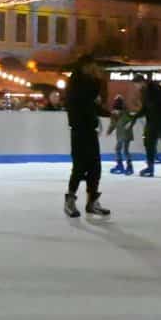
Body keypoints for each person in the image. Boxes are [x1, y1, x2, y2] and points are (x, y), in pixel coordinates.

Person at [62, 56, 109, 220]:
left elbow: (93, 106)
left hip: (90, 130)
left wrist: (107, 113)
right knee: (79, 166)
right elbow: (83, 105)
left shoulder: (90, 84)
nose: (95, 68)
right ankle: (70, 199)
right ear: (85, 66)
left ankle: (92, 201)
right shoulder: (76, 86)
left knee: (95, 167)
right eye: (93, 65)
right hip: (79, 131)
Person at [109, 95, 138, 174]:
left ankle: (129, 166)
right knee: (118, 149)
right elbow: (113, 124)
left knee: (125, 150)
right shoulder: (115, 115)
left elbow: (132, 119)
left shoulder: (126, 114)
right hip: (120, 135)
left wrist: (129, 125)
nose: (116, 112)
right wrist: (109, 131)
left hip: (126, 135)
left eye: (117, 110)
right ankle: (120, 165)